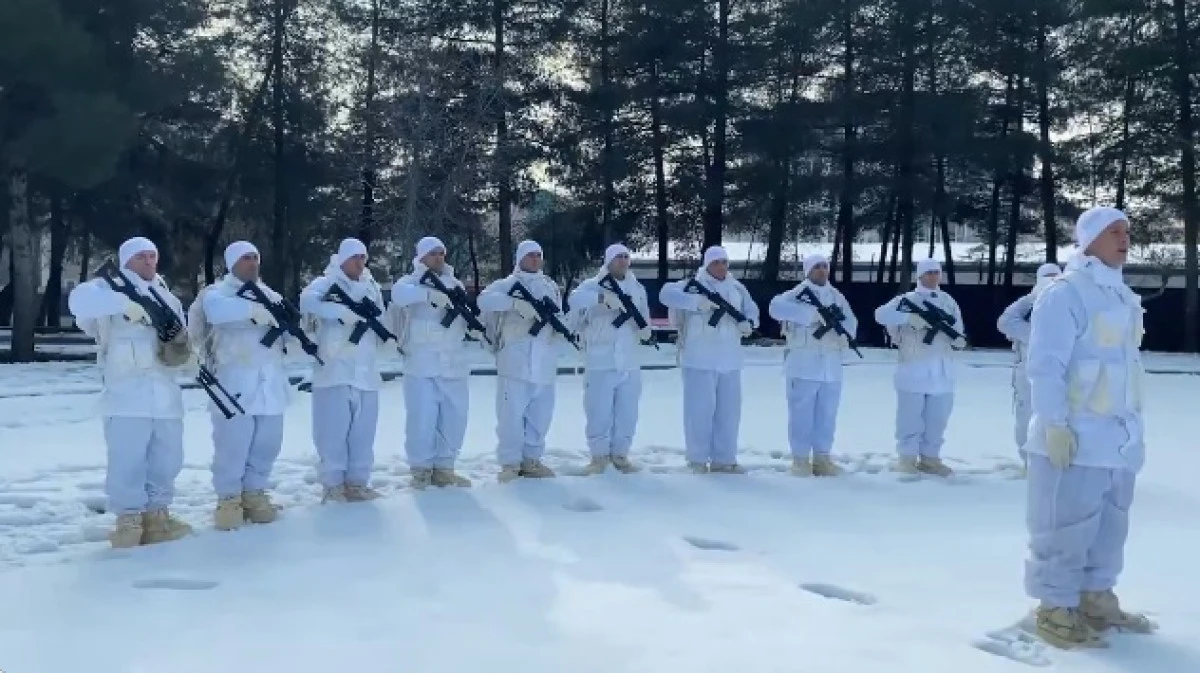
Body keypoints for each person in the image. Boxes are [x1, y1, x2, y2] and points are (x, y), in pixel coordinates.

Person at [1022, 206, 1154, 648]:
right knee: (1065, 525)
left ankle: (1096, 596)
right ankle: (1056, 606)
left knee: (1110, 525)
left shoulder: (1120, 295)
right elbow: (1044, 367)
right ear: (1089, 239)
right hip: (1074, 436)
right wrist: (1054, 425)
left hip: (1117, 439)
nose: (1125, 239)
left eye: (1127, 231)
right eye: (1114, 232)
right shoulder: (1064, 294)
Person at [67, 236, 193, 547]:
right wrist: (126, 303)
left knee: (168, 459)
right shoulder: (106, 292)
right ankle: (129, 521)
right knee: (128, 460)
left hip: (165, 397)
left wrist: (184, 354)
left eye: (152, 256)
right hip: (126, 397)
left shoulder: (169, 299)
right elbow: (78, 302)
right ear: (126, 262)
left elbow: (181, 340)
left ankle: (157, 516)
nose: (149, 262)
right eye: (141, 257)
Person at [188, 241, 288, 530]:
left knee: (267, 443)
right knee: (233, 444)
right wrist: (254, 312)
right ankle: (228, 498)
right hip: (234, 383)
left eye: (255, 257)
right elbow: (217, 313)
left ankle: (254, 493)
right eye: (246, 258)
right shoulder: (216, 293)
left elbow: (287, 334)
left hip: (270, 383)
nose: (252, 263)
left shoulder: (271, 294)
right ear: (232, 262)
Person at [299, 237, 390, 503]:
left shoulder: (371, 287)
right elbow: (308, 302)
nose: (360, 263)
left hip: (365, 370)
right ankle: (333, 484)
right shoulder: (325, 283)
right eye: (354, 257)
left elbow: (381, 318)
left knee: (363, 432)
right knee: (332, 431)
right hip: (335, 369)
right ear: (342, 259)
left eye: (363, 257)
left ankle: (357, 482)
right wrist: (343, 312)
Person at [659, 245, 759, 474]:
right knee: (699, 412)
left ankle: (724, 458)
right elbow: (666, 295)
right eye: (716, 262)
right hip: (699, 357)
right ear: (707, 264)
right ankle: (697, 459)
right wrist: (697, 302)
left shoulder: (737, 287)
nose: (721, 266)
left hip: (730, 359)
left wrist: (749, 323)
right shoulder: (692, 285)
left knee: (729, 412)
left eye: (724, 262)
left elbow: (751, 309)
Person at [389, 236, 479, 489]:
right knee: (422, 418)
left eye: (441, 253)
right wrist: (429, 295)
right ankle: (420, 469)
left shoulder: (454, 283)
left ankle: (445, 467)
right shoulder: (410, 282)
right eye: (433, 253)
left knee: (455, 417)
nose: (438, 257)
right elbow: (399, 295)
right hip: (422, 363)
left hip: (453, 363)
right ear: (421, 257)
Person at [478, 240, 568, 482]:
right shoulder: (506, 284)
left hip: (544, 361)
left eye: (539, 255)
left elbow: (559, 315)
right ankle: (510, 463)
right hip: (514, 360)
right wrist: (514, 303)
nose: (535, 259)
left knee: (540, 415)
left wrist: (561, 331)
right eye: (530, 255)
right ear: (520, 258)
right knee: (510, 415)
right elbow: (483, 301)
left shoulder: (550, 287)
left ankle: (532, 460)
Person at [873, 259, 966, 477]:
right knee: (910, 418)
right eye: (929, 272)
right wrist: (909, 317)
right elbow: (880, 315)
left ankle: (930, 458)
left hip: (942, 370)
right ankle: (906, 458)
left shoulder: (947, 301)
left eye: (937, 272)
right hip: (913, 368)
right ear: (920, 276)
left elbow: (957, 328)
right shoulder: (907, 300)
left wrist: (958, 339)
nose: (934, 276)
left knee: (937, 419)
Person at [768, 253, 858, 477]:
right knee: (801, 414)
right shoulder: (797, 294)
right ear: (808, 270)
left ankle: (822, 457)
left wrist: (845, 335)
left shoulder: (836, 296)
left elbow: (850, 321)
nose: (821, 270)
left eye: (824, 266)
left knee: (827, 414)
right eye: (817, 267)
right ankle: (800, 459)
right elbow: (775, 308)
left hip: (831, 365)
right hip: (803, 364)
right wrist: (812, 315)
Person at [568, 243, 652, 475]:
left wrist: (646, 329)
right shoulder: (592, 286)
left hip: (629, 361)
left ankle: (621, 454)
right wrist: (602, 298)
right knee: (598, 411)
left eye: (626, 257)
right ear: (609, 261)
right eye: (618, 257)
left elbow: (644, 316)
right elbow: (575, 301)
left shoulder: (637, 289)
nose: (623, 261)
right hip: (600, 360)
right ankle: (598, 456)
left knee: (628, 412)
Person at [997, 262, 1062, 470]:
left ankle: (1055, 458)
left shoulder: (1070, 301)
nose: (1051, 280)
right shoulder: (1028, 302)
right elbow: (1005, 322)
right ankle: (1029, 461)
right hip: (1027, 368)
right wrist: (1035, 336)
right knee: (1027, 415)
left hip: (1060, 371)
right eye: (1047, 276)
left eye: (1055, 275)